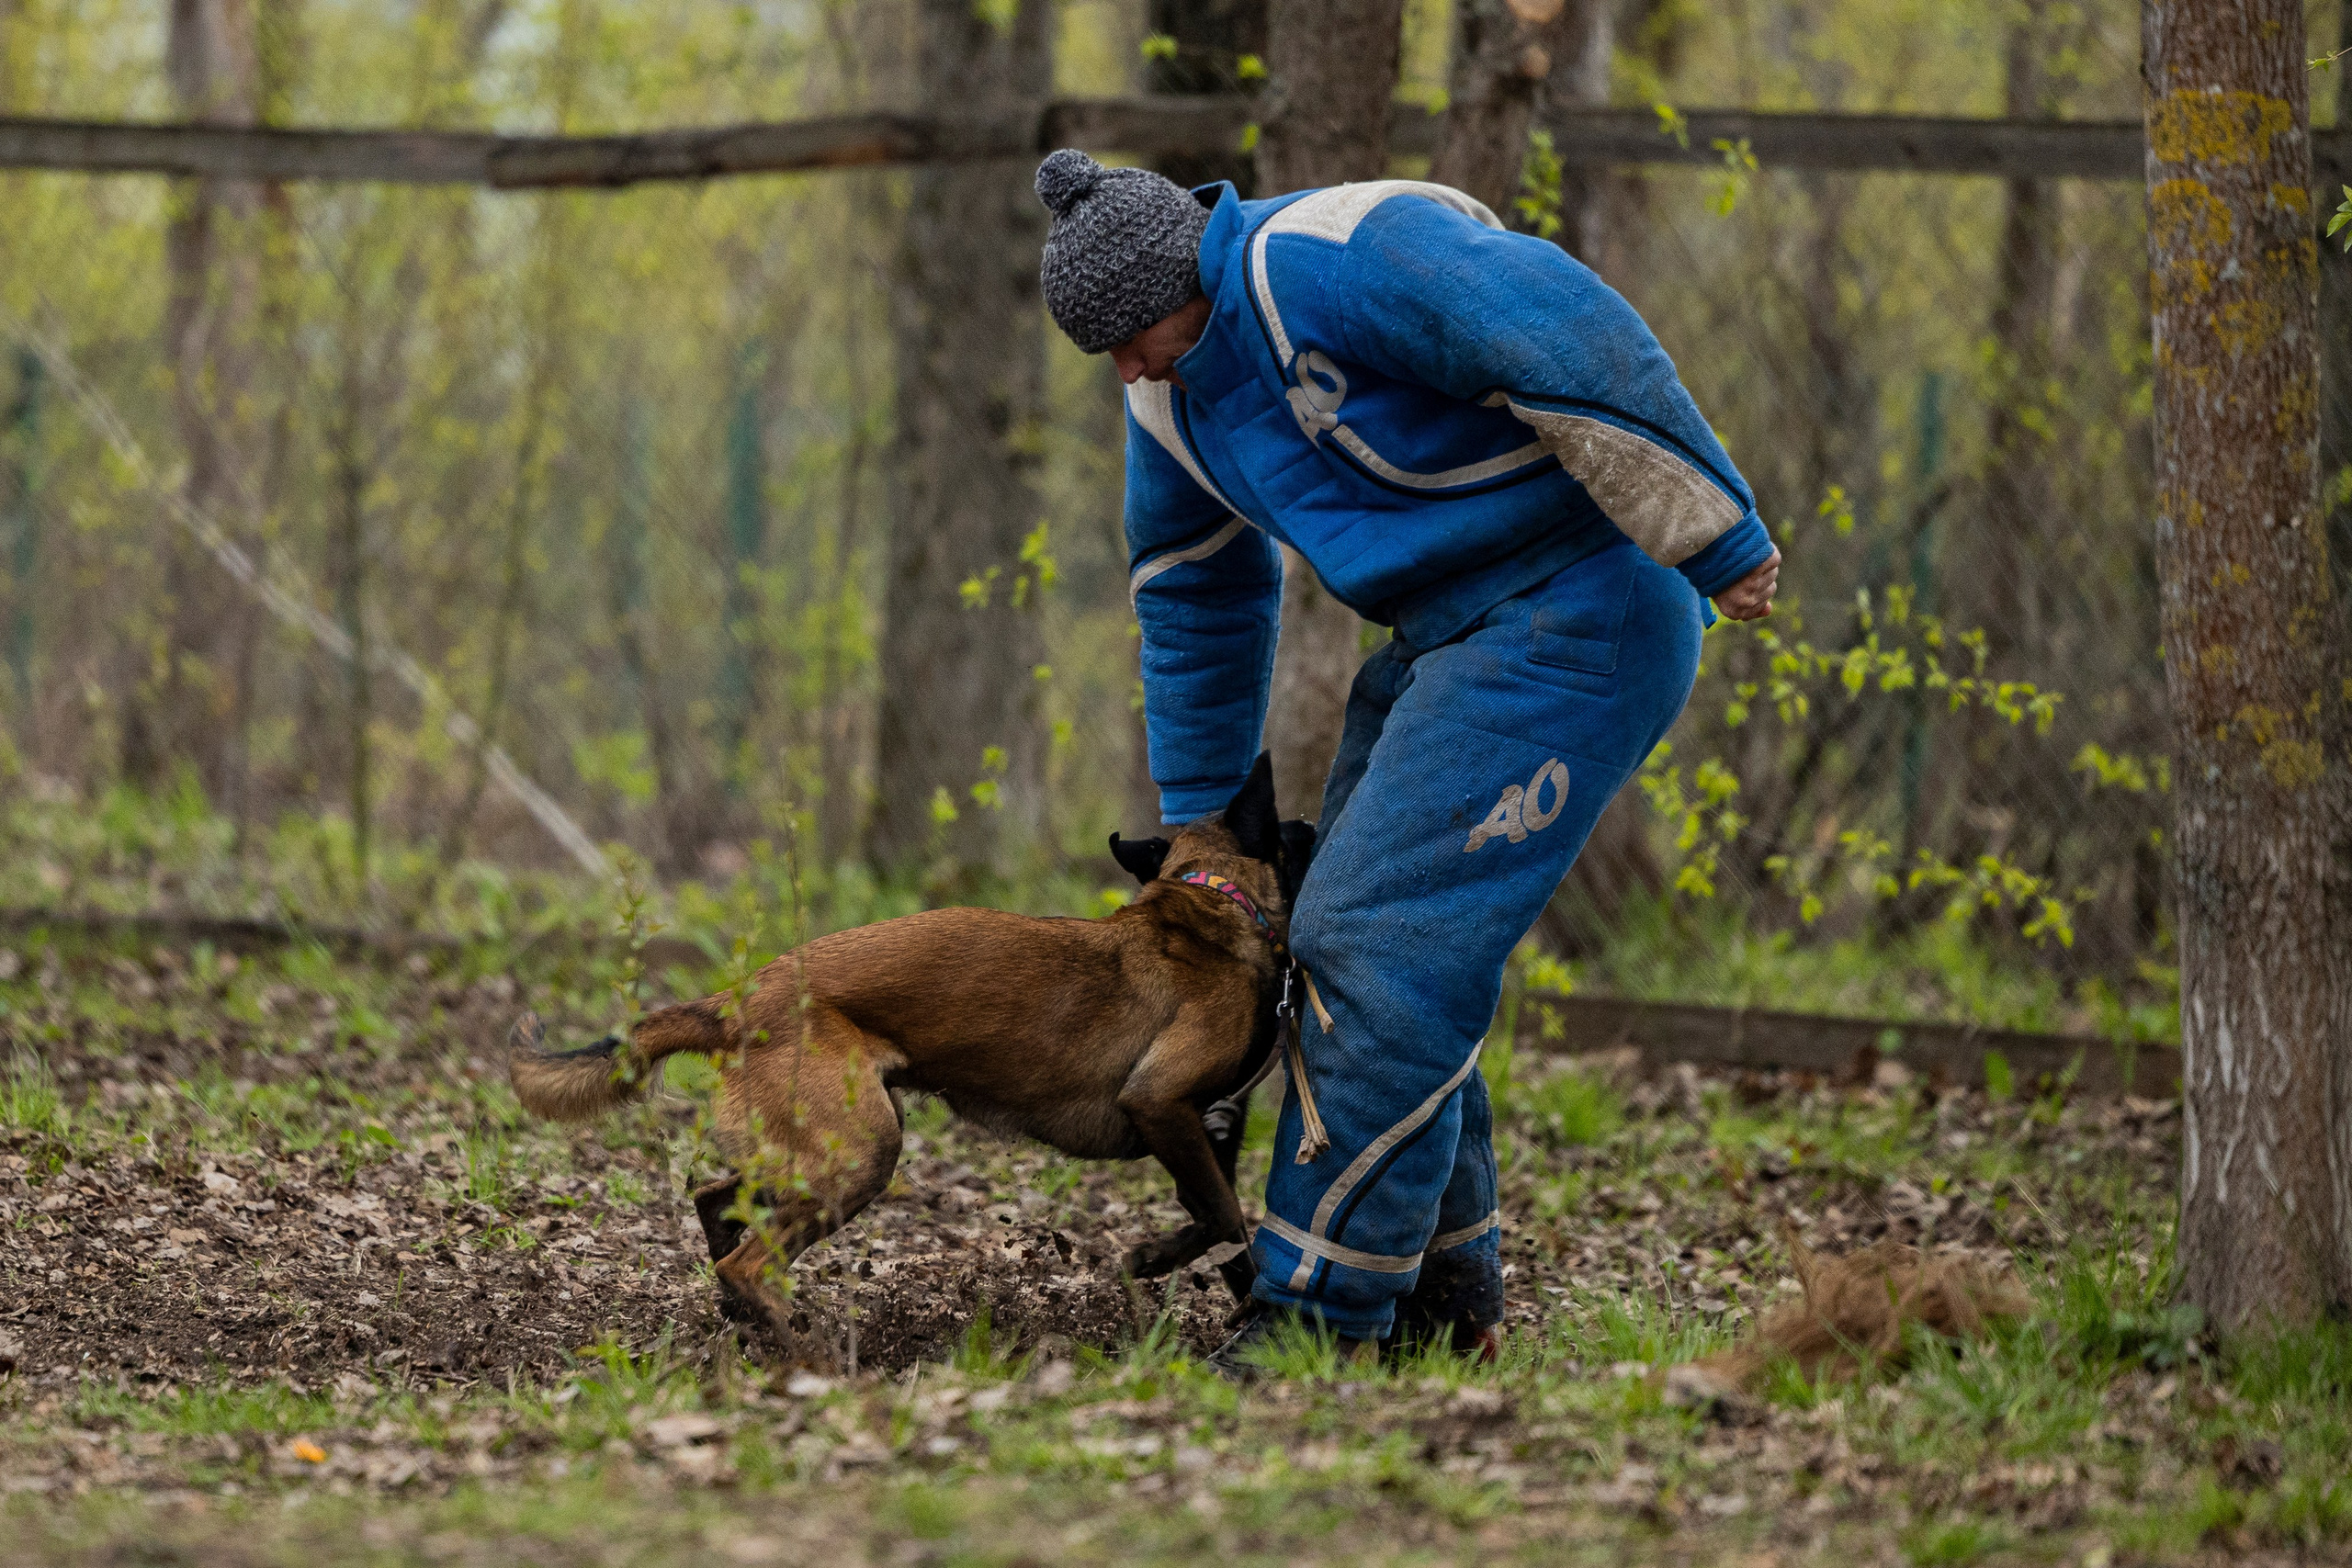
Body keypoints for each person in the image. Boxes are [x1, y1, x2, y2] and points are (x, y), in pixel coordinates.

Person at [1031, 149, 1781, 1366]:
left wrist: (1714, 530)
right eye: (1101, 351)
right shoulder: (1168, 393)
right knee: (1362, 940)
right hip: (1446, 635)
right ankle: (1443, 1297)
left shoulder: (1337, 255)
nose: (1126, 368)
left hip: (1585, 609)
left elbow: (1564, 325)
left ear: (1191, 275)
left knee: (1373, 941)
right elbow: (1191, 596)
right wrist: (1201, 828)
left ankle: (1318, 1321)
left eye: (1134, 335)